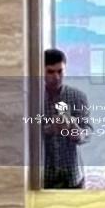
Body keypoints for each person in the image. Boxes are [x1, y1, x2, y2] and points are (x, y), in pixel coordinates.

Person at [41, 48, 91, 188]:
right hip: (43, 177)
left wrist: (76, 131)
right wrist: (47, 130)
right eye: (50, 72)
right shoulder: (33, 98)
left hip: (72, 176)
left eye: (60, 71)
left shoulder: (78, 97)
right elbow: (24, 134)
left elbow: (88, 132)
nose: (56, 77)